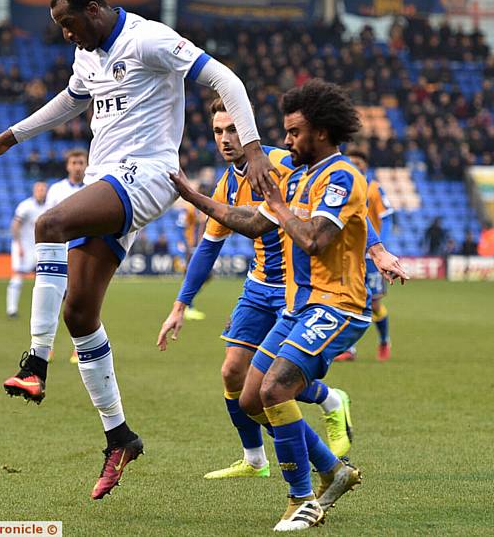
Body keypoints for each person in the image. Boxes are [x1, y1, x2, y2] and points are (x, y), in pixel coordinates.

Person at [0, 0, 277, 500]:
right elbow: (68, 101)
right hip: (108, 183)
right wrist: (6, 139)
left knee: (48, 223)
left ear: (94, 8)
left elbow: (229, 81)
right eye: (59, 27)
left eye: (69, 23)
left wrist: (255, 147)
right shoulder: (88, 55)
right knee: (79, 313)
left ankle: (35, 364)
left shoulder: (149, 39)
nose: (65, 34)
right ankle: (120, 437)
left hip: (150, 174)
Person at [168, 80, 408, 531]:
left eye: (294, 132)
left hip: (338, 305)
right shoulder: (296, 177)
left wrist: (279, 204)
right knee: (251, 398)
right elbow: (253, 223)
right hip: (300, 306)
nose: (286, 140)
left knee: (276, 389)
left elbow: (315, 240)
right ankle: (334, 472)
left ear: (319, 132)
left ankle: (302, 500)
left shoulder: (341, 177)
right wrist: (193, 196)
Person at [158, 97, 357, 483]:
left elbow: (341, 211)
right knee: (233, 372)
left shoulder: (284, 163)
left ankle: (329, 402)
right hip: (257, 286)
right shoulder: (226, 185)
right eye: (218, 131)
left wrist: (376, 248)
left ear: (248, 130)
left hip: (295, 291)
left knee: (270, 383)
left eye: (233, 129)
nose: (225, 138)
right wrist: (180, 304)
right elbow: (208, 247)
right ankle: (254, 459)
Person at [344, 149, 395, 361]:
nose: (355, 165)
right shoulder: (344, 186)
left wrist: (380, 246)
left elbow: (387, 217)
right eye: (351, 161)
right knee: (350, 300)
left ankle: (384, 341)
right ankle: (349, 349)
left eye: (359, 162)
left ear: (365, 166)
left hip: (371, 256)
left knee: (373, 303)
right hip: (349, 254)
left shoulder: (374, 189)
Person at [46, 148, 88, 364]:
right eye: (74, 162)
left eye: (81, 162)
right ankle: (47, 348)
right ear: (67, 165)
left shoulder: (93, 188)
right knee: (52, 302)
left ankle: (78, 349)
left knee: (79, 303)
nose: (78, 166)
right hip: (59, 253)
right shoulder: (56, 190)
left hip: (83, 253)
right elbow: (47, 221)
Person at [6, 182, 49, 318]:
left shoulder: (49, 207)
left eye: (43, 189)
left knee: (42, 279)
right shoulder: (26, 206)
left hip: (39, 247)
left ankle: (40, 311)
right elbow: (15, 225)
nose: (41, 191)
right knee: (18, 276)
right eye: (39, 189)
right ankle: (11, 309)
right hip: (24, 247)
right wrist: (19, 245)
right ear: (34, 190)